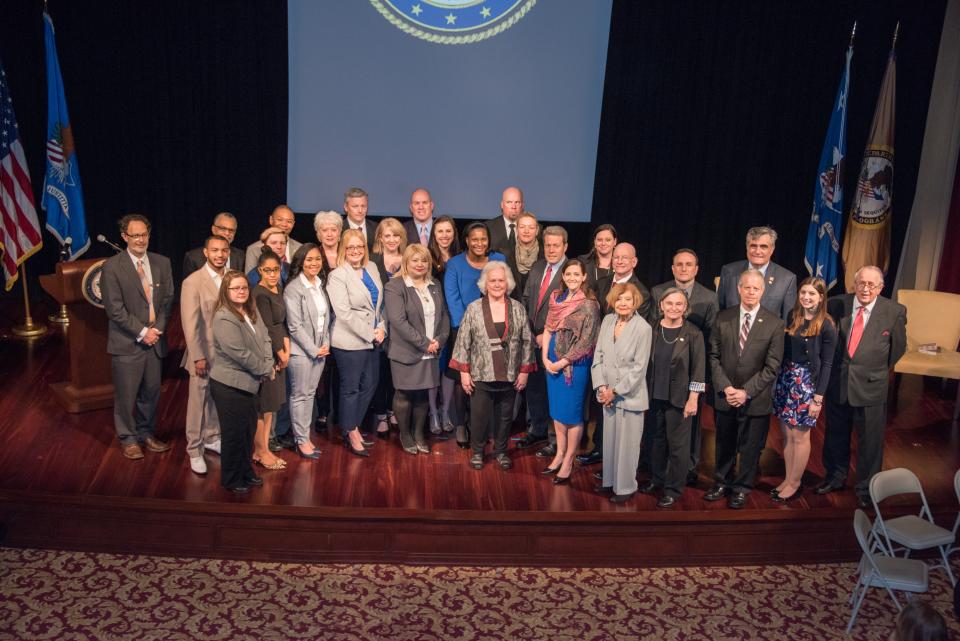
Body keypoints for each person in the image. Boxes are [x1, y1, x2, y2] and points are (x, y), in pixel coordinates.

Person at [818, 265, 907, 509]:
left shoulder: (894, 311)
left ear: (880, 287)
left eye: (871, 285)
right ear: (854, 284)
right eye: (861, 283)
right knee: (836, 434)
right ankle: (835, 478)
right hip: (839, 383)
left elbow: (897, 349)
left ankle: (867, 487)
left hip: (871, 386)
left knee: (870, 441)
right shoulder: (836, 304)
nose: (865, 289)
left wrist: (874, 371)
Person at [706, 269, 784, 509]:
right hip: (726, 394)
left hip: (755, 397)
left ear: (763, 291)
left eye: (756, 288)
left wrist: (746, 391)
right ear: (739, 289)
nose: (751, 292)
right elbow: (713, 356)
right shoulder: (722, 318)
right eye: (746, 287)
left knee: (750, 447)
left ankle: (742, 487)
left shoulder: (775, 323)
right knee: (724, 442)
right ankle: (722, 481)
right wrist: (726, 387)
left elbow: (772, 367)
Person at [100, 214, 174, 460]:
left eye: (144, 234)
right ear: (124, 237)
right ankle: (128, 438)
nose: (141, 240)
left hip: (155, 341)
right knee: (126, 395)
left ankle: (146, 433)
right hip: (128, 343)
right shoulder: (112, 267)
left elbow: (167, 300)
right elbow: (115, 310)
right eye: (135, 235)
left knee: (151, 392)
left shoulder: (162, 263)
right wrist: (143, 332)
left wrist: (157, 330)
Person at [450, 261, 535, 470]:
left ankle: (501, 451)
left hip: (509, 374)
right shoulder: (473, 308)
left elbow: (527, 341)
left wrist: (524, 371)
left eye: (501, 280)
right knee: (479, 417)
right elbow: (463, 341)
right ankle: (477, 452)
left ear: (508, 283)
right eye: (493, 280)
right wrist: (464, 373)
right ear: (485, 284)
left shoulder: (517, 308)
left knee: (505, 417)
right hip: (481, 373)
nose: (497, 284)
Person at [646, 248, 718, 484]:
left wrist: (695, 392)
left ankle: (687, 472)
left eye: (689, 264)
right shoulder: (657, 293)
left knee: (685, 435)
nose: (684, 268)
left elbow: (710, 342)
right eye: (679, 264)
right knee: (657, 435)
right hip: (658, 385)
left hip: (688, 376)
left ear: (696, 269)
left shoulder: (708, 298)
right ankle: (658, 476)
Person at [770, 277, 837, 502]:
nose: (806, 297)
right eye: (803, 292)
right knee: (787, 433)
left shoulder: (826, 324)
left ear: (821, 298)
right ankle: (788, 478)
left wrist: (818, 398)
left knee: (800, 436)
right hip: (787, 379)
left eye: (812, 294)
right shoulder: (793, 316)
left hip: (807, 385)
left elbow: (827, 363)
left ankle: (796, 483)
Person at [638, 288, 705, 507]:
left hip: (680, 399)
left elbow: (698, 369)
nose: (674, 308)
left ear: (686, 307)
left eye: (679, 304)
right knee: (656, 441)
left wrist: (693, 398)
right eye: (669, 303)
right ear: (661, 306)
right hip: (654, 395)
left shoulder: (694, 333)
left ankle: (674, 489)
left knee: (678, 446)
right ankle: (657, 479)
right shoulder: (653, 328)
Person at [209, 271, 275, 493]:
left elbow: (265, 337)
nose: (241, 292)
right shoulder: (223, 316)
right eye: (236, 288)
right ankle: (232, 478)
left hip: (250, 383)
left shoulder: (250, 310)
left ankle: (246, 472)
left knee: (247, 433)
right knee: (234, 434)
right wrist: (266, 368)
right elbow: (239, 353)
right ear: (226, 292)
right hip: (230, 385)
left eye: (244, 288)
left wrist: (268, 360)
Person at [444, 222, 506, 446]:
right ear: (467, 241)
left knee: (487, 377)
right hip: (462, 329)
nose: (479, 243)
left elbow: (505, 290)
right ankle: (461, 424)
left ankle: (481, 426)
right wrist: (471, 328)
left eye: (483, 238)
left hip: (495, 328)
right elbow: (452, 299)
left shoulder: (499, 259)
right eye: (474, 239)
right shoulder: (455, 264)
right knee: (463, 380)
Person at [384, 245, 450, 454]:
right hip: (407, 351)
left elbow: (444, 316)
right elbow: (398, 321)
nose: (420, 264)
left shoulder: (435, 284)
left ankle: (419, 433)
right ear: (406, 262)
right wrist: (425, 344)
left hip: (431, 351)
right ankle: (405, 434)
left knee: (423, 394)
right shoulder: (395, 286)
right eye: (415, 260)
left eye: (424, 260)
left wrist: (439, 340)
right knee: (403, 393)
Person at [326, 229, 386, 457]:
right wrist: (370, 333)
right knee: (350, 388)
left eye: (359, 246)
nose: (355, 251)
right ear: (344, 249)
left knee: (370, 384)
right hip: (349, 341)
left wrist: (382, 327)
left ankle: (350, 424)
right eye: (350, 247)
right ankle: (351, 430)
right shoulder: (338, 275)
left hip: (373, 337)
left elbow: (378, 305)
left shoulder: (371, 268)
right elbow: (343, 313)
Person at [541, 258, 600, 485]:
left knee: (572, 415)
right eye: (569, 274)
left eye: (577, 274)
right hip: (552, 362)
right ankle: (559, 454)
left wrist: (562, 362)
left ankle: (568, 460)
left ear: (584, 276)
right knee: (557, 412)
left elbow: (586, 343)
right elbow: (548, 328)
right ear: (563, 276)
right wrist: (546, 357)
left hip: (574, 366)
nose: (572, 278)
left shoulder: (589, 304)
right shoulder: (557, 298)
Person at [591, 283, 652, 503]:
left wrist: (614, 391)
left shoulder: (643, 328)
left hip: (629, 396)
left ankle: (625, 487)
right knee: (610, 442)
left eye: (627, 299)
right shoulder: (607, 321)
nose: (623, 303)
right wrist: (601, 387)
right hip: (607, 394)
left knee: (627, 445)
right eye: (619, 299)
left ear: (635, 302)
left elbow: (639, 368)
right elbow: (598, 356)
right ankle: (610, 482)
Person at [517, 225, 569, 457]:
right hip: (533, 338)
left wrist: (546, 334)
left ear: (565, 246)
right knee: (535, 389)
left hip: (556, 340)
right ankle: (537, 429)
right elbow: (527, 298)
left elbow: (570, 308)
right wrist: (530, 331)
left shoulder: (571, 271)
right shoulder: (538, 267)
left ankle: (554, 440)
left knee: (554, 392)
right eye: (547, 245)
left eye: (555, 245)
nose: (551, 249)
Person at [179, 234, 228, 474]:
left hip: (226, 355)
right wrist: (198, 355)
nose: (220, 254)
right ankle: (194, 450)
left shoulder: (230, 278)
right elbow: (191, 323)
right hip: (204, 354)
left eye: (224, 250)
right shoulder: (193, 282)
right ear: (206, 253)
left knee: (216, 399)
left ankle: (212, 437)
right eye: (215, 250)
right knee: (198, 403)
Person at [283, 243, 331, 460]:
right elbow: (294, 326)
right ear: (301, 262)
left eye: (317, 259)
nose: (314, 263)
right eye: (309, 259)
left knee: (310, 394)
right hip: (302, 353)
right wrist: (314, 350)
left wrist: (326, 344)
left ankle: (305, 436)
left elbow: (326, 319)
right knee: (300, 396)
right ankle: (300, 439)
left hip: (320, 350)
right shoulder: (294, 288)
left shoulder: (319, 284)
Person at [251, 249, 291, 469]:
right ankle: (260, 451)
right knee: (263, 405)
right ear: (260, 271)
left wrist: (286, 346)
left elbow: (281, 324)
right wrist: (281, 353)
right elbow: (267, 327)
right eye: (268, 270)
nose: (273, 274)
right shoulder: (259, 293)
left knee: (270, 407)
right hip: (268, 354)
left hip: (279, 351)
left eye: (276, 269)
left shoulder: (278, 289)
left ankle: (263, 449)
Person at [369, 217, 407, 436]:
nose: (391, 239)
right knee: (381, 372)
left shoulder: (409, 258)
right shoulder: (373, 260)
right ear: (380, 238)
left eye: (395, 235)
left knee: (397, 373)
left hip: (402, 326)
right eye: (387, 235)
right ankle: (381, 414)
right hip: (380, 326)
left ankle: (394, 411)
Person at [717, 226, 797, 322]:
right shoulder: (729, 271)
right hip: (731, 335)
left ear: (772, 249)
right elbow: (720, 310)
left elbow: (788, 321)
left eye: (763, 247)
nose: (757, 251)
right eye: (753, 246)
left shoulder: (787, 279)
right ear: (747, 247)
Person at [427, 215, 460, 434]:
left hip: (455, 322)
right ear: (433, 234)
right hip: (433, 321)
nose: (444, 235)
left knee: (449, 370)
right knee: (432, 370)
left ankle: (445, 411)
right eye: (440, 231)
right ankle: (432, 413)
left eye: (448, 231)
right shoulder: (427, 257)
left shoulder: (461, 257)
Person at [596, 242, 653, 323]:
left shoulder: (642, 293)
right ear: (612, 260)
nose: (619, 261)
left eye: (624, 258)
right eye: (616, 257)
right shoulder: (601, 283)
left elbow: (635, 326)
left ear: (634, 262)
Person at [182, 212, 245, 277]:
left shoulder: (240, 255)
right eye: (223, 229)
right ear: (213, 229)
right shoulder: (193, 257)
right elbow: (189, 285)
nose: (227, 233)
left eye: (231, 230)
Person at [503, 211, 542, 298]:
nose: (526, 231)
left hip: (536, 306)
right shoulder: (505, 254)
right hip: (512, 305)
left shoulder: (546, 256)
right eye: (522, 227)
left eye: (531, 228)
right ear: (517, 229)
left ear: (537, 231)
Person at [486, 186, 524, 254]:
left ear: (522, 205)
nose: (513, 207)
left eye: (517, 202)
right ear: (502, 205)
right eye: (509, 202)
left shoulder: (536, 229)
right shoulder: (488, 228)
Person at [579, 223, 617, 290]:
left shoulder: (620, 264)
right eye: (599, 240)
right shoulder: (582, 262)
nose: (603, 243)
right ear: (595, 241)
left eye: (608, 240)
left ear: (615, 242)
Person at [313, 210, 342, 279]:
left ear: (339, 232)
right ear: (318, 233)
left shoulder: (347, 253)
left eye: (334, 230)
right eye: (325, 230)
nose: (329, 234)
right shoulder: (313, 255)